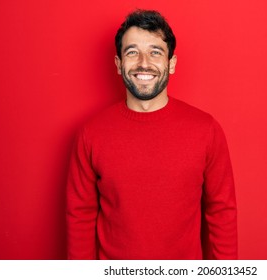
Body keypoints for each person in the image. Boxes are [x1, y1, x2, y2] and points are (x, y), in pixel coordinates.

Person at [66, 9, 237, 260]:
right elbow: (79, 216)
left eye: (155, 52)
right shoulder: (90, 133)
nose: (144, 62)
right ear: (118, 64)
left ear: (171, 63)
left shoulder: (206, 129)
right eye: (132, 52)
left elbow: (222, 213)